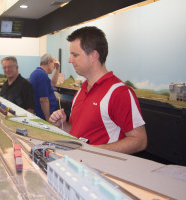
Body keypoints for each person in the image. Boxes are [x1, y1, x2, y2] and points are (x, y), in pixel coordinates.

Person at [49, 26, 147, 154]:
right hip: (78, 165)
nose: (69, 60)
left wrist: (92, 151)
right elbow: (78, 132)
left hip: (100, 169)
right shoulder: (80, 92)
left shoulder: (119, 93)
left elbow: (139, 141)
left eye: (75, 55)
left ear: (93, 56)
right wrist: (63, 125)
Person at [29, 54, 60, 121]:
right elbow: (44, 100)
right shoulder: (42, 76)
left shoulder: (37, 73)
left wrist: (57, 69)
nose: (54, 67)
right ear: (49, 62)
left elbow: (53, 83)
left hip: (38, 113)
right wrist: (47, 119)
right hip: (43, 116)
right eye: (53, 64)